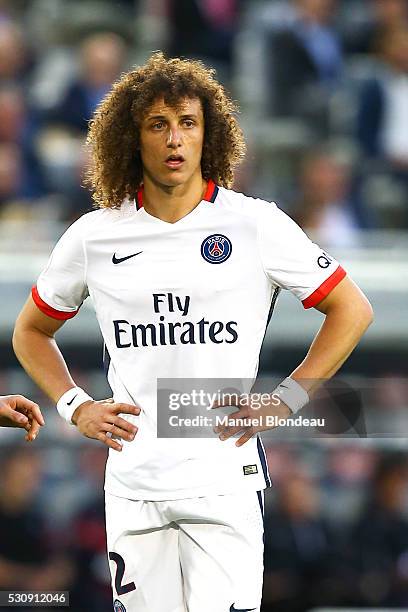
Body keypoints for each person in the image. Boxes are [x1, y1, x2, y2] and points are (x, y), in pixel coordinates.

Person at [12, 52, 373, 612]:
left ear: (211, 135)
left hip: (223, 479)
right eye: (158, 124)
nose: (175, 139)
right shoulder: (94, 235)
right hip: (134, 485)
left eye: (188, 122)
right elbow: (31, 331)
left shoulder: (255, 223)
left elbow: (352, 310)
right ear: (133, 138)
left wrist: (286, 399)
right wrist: (76, 405)